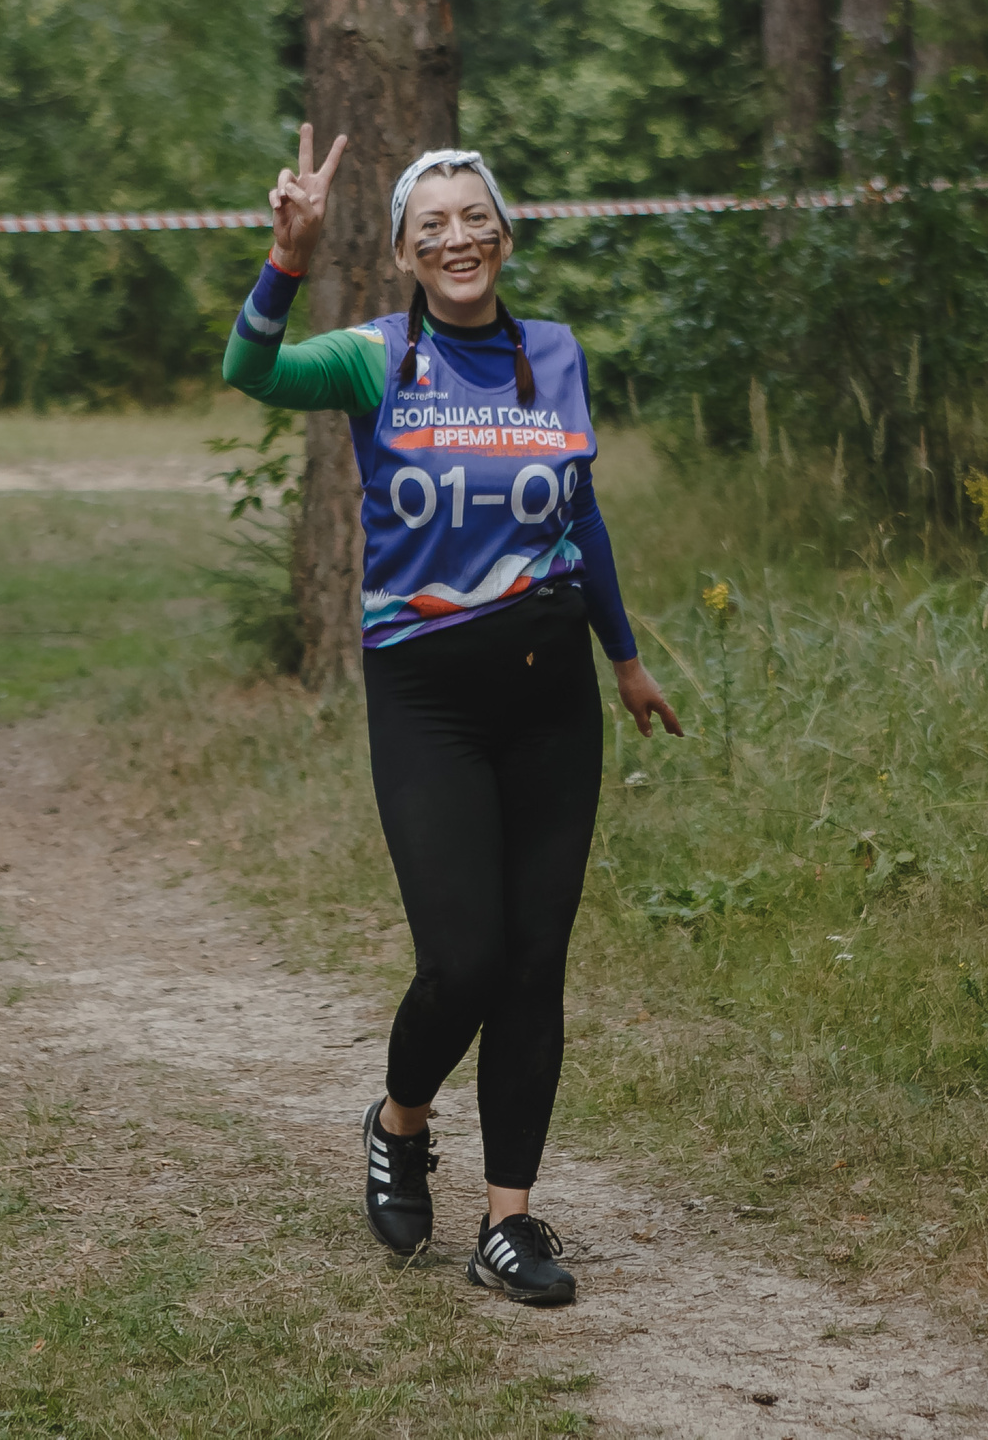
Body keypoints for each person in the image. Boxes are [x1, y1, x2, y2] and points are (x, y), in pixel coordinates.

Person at [221, 125, 681, 1306]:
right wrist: (286, 258)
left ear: (505, 235)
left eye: (475, 219)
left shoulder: (556, 356)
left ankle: (509, 1223)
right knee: (463, 959)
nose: (459, 238)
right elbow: (251, 373)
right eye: (434, 227)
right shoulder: (375, 360)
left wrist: (624, 660)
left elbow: (581, 520)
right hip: (427, 697)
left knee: (535, 967)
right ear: (407, 257)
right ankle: (398, 1118)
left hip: (551, 703)